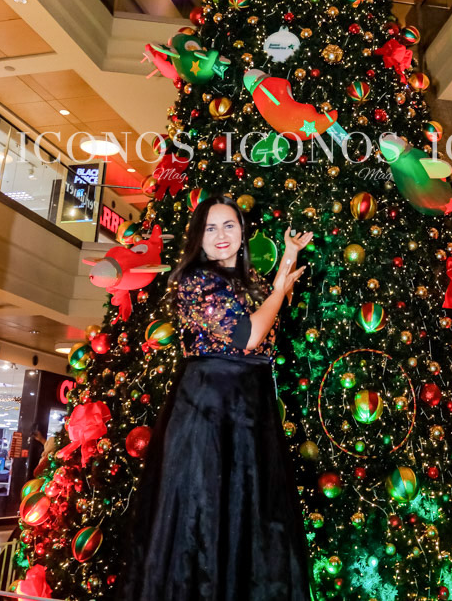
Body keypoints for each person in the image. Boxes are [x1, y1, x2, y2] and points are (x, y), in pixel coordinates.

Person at [116, 194, 313, 601]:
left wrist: (288, 258)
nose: (221, 235)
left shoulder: (248, 284)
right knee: (202, 518)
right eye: (210, 228)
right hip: (208, 410)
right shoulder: (196, 280)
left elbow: (268, 322)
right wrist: (279, 285)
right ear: (198, 239)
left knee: (247, 516)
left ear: (243, 234)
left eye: (229, 226)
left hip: (250, 411)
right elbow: (248, 336)